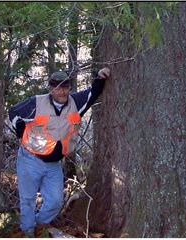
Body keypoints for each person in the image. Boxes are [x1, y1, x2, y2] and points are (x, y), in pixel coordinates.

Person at [9, 68, 111, 237]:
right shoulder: (36, 103)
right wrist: (20, 130)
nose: (62, 91)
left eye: (65, 87)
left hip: (54, 164)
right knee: (27, 200)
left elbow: (93, 93)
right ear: (51, 88)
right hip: (30, 159)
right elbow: (14, 112)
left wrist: (100, 77)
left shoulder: (75, 103)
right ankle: (27, 233)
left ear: (69, 88)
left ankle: (39, 226)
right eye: (58, 87)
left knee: (56, 202)